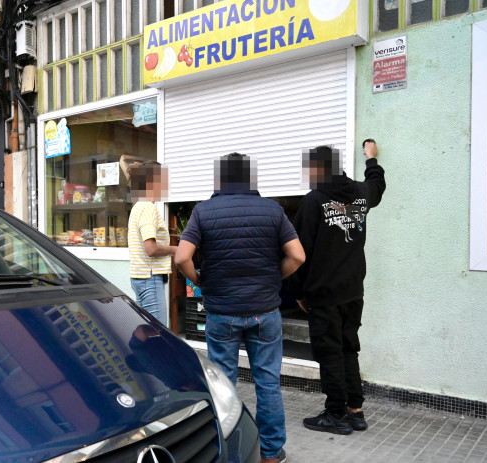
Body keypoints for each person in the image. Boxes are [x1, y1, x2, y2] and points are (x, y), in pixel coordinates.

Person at [175, 153, 305, 463]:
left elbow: (182, 258)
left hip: (222, 312)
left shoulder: (203, 212)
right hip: (265, 312)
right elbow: (297, 256)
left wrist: (202, 282)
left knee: (224, 384)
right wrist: (275, 277)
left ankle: (228, 451)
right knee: (268, 383)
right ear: (251, 179)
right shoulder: (273, 210)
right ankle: (271, 454)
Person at [291, 141, 386, 435]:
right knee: (348, 348)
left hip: (324, 293)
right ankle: (355, 411)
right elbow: (377, 184)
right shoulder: (359, 193)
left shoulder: (312, 201)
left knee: (329, 352)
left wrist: (298, 292)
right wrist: (371, 159)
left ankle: (335, 414)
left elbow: (299, 251)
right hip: (353, 291)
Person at [127, 161, 176, 325]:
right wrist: (175, 249)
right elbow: (151, 249)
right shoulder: (148, 208)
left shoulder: (138, 207)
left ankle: (133, 351)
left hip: (140, 277)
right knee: (158, 332)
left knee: (145, 330)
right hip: (150, 278)